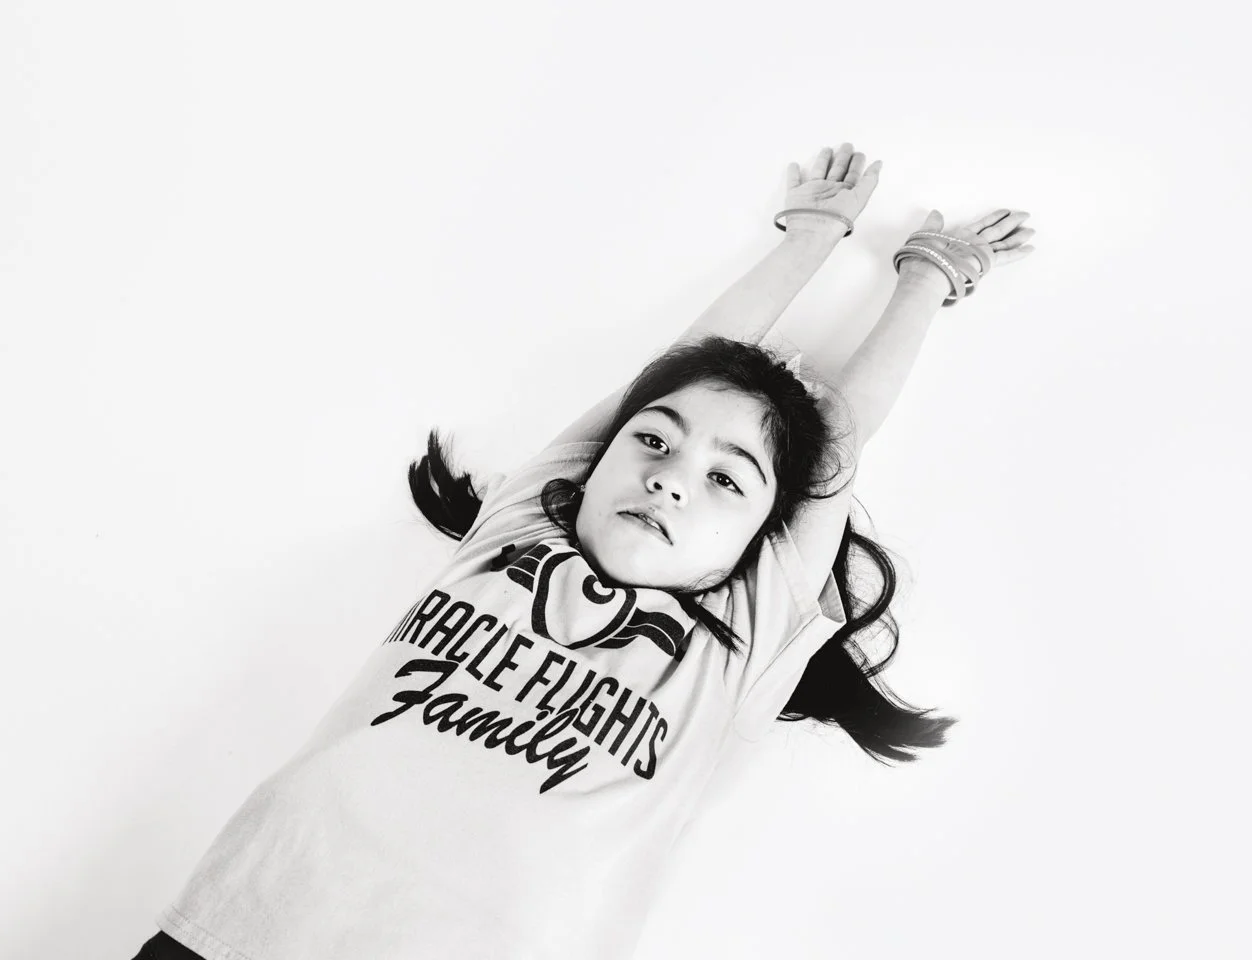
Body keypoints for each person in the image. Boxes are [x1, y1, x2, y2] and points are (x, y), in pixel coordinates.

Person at [130, 142, 1036, 960]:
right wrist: (810, 234)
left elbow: (838, 444)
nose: (672, 478)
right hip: (242, 925)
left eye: (728, 481)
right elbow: (666, 372)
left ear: (765, 535)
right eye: (653, 443)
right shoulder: (521, 524)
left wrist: (925, 273)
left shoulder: (738, 636)